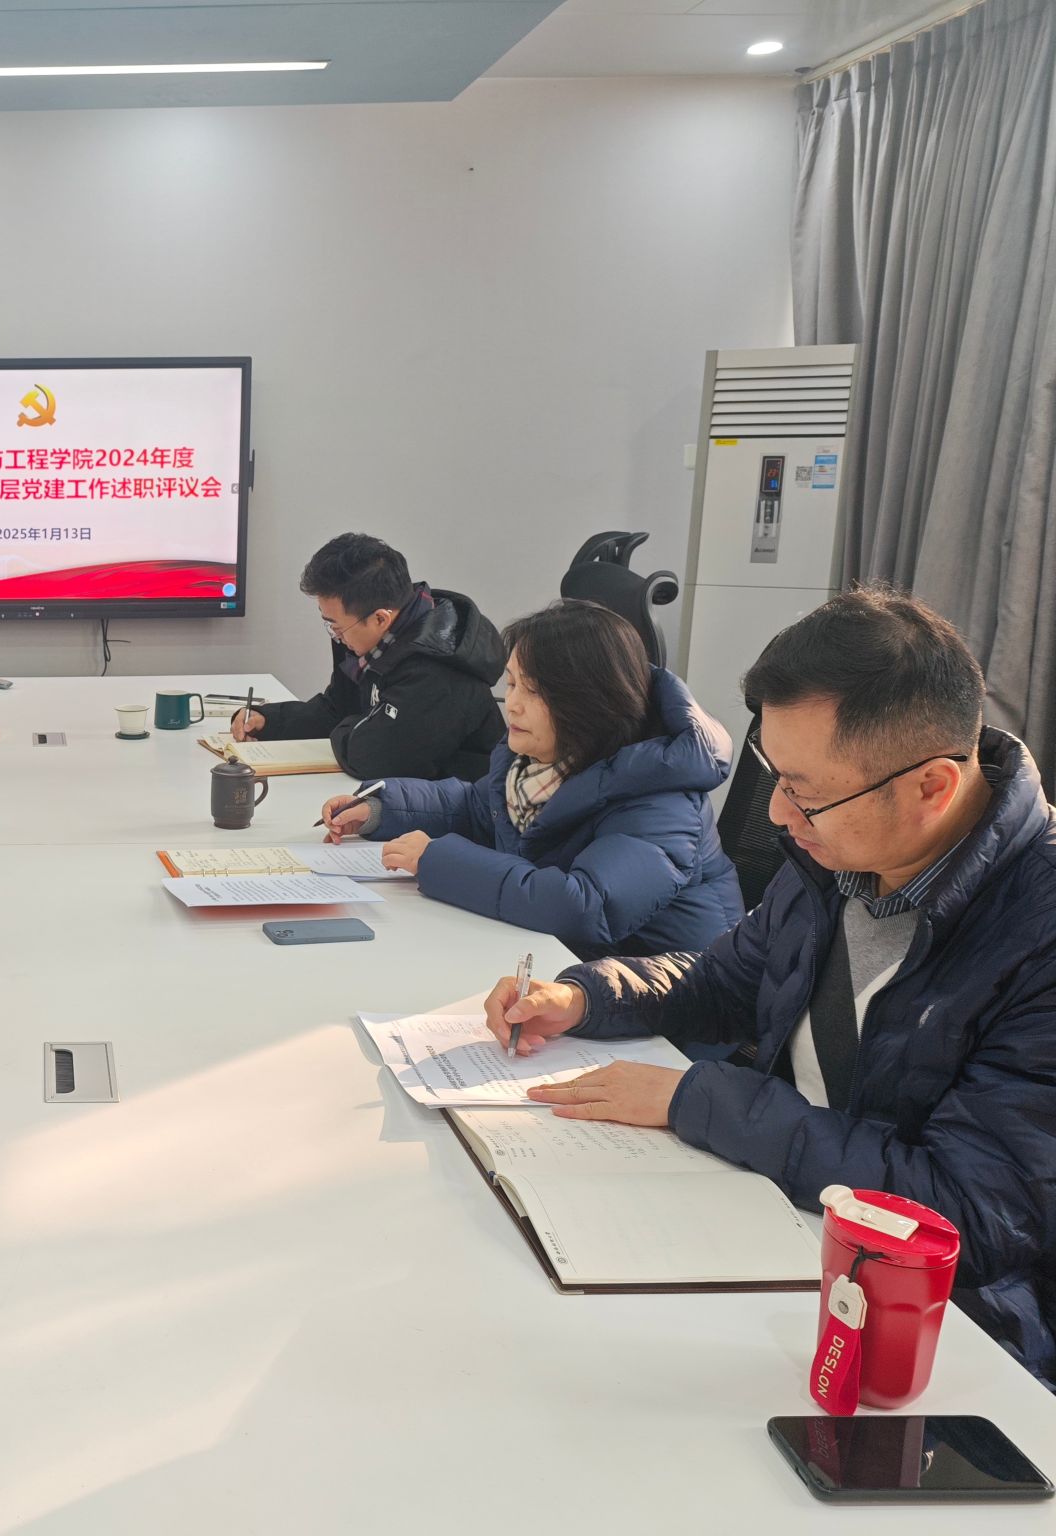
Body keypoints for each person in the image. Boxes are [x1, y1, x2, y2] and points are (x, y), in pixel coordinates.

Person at [482, 587, 1056, 1382]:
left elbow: (966, 1210)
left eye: (807, 792)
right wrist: (587, 995)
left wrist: (700, 1101)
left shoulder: (1037, 931)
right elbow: (726, 980)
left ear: (932, 787)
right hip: (775, 1223)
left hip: (934, 1332)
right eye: (774, 778)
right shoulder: (837, 859)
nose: (780, 814)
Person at [320, 600, 743, 959]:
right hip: (566, 968)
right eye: (511, 683)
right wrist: (380, 808)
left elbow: (583, 907)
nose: (513, 704)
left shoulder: (662, 800)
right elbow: (476, 808)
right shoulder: (538, 763)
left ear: (591, 702)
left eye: (534, 690)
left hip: (663, 1002)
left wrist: (436, 861)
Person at [230, 533, 505, 780]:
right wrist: (271, 721)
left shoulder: (437, 671)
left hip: (457, 807)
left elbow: (375, 758)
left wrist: (357, 726)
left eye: (337, 626)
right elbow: (338, 707)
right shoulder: (371, 643)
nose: (335, 636)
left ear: (380, 619)